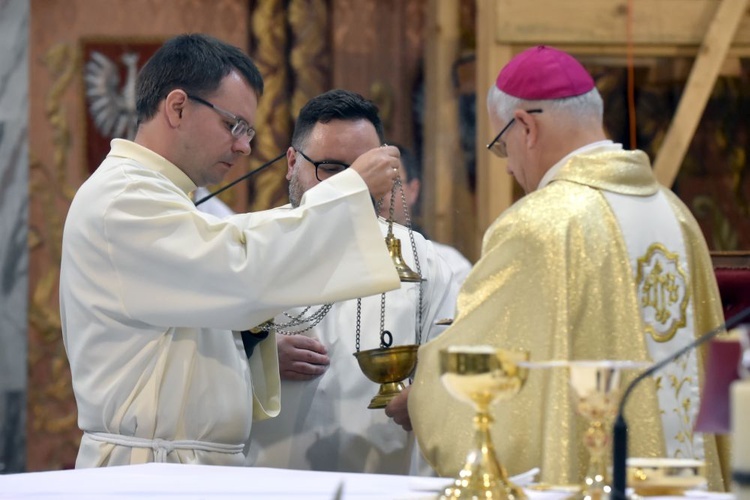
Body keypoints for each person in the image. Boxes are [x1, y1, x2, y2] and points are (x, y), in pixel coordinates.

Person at [386, 45, 728, 490]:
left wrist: (423, 400)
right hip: (686, 486)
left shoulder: (542, 225)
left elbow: (490, 379)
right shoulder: (678, 215)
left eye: (502, 146)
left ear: (525, 126)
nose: (508, 167)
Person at [60, 34, 404, 468]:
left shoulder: (160, 195)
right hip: (149, 471)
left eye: (249, 131)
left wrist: (243, 350)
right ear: (178, 107)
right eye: (233, 125)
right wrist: (349, 189)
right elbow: (239, 268)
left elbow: (193, 304)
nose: (244, 146)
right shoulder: (124, 198)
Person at [245, 89, 460, 475]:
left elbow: (451, 374)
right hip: (267, 478)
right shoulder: (248, 245)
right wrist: (254, 356)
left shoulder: (421, 261)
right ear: (292, 163)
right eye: (332, 168)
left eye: (366, 167)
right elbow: (188, 359)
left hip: (381, 481)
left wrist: (426, 397)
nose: (355, 184)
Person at [378, 144, 473, 286]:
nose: (381, 194)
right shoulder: (348, 262)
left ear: (413, 190)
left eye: (393, 183)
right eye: (375, 185)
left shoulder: (450, 265)